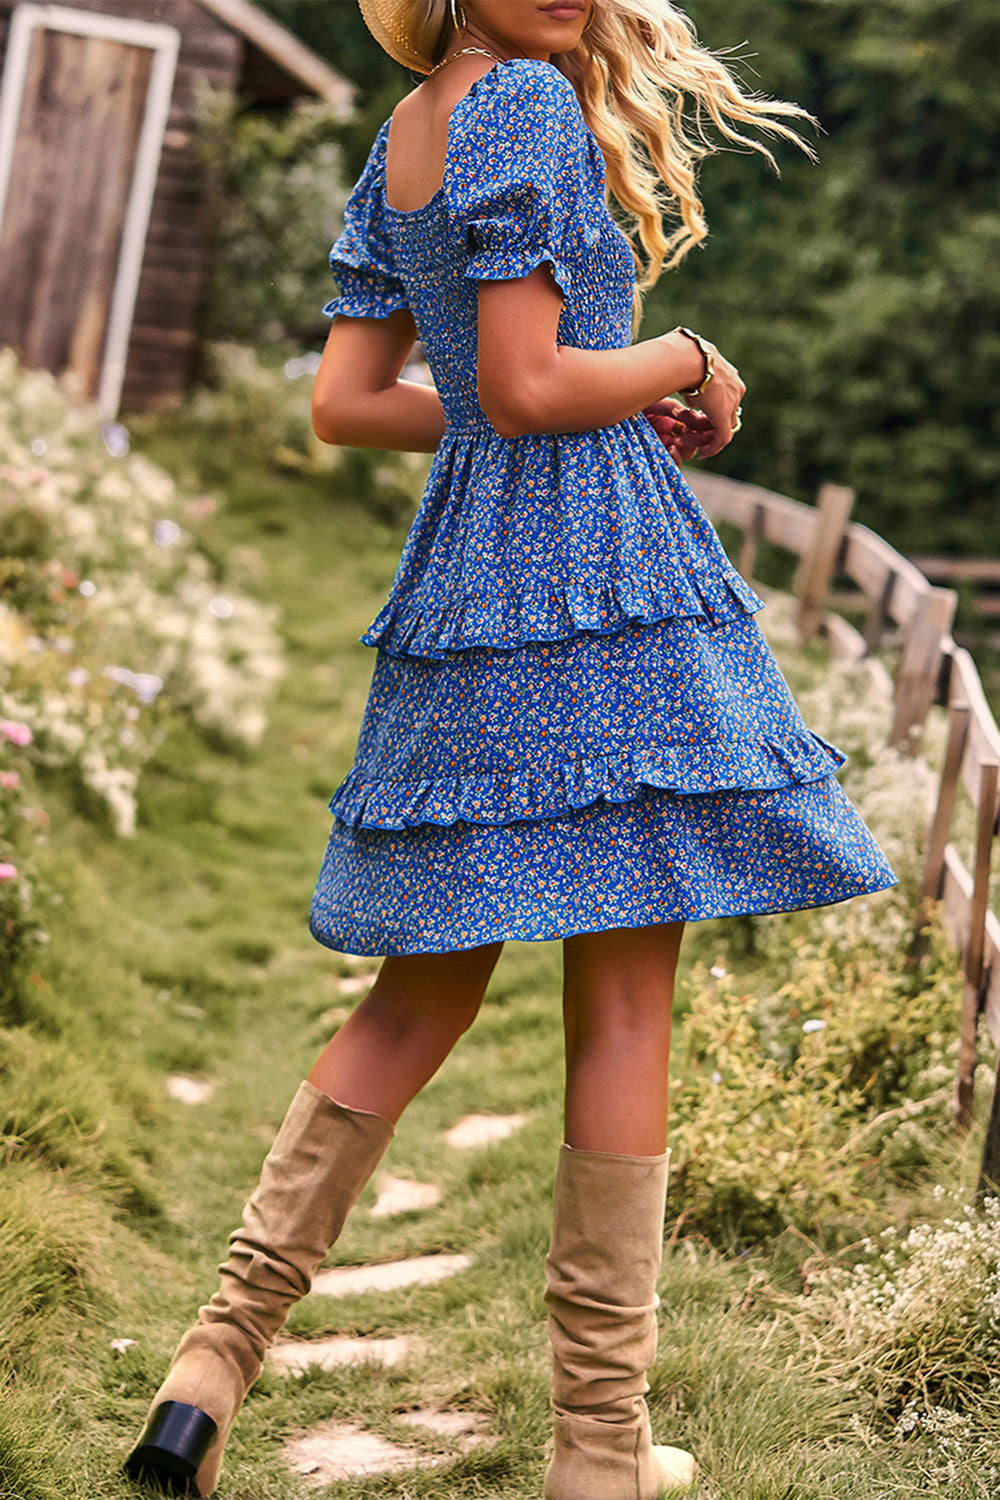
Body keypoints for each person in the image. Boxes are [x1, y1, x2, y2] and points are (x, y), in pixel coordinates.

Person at [124, 1, 898, 1494]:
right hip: (603, 586)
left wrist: (549, 412)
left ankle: (209, 1371)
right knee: (622, 1010)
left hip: (472, 585)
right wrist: (679, 355)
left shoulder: (405, 134)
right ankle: (599, 1450)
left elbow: (349, 405)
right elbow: (538, 381)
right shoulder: (535, 107)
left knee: (417, 1000)